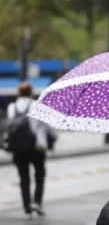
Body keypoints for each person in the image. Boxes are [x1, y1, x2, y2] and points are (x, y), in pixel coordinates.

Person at [6, 82, 56, 220]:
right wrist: (53, 137)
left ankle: (27, 208)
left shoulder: (11, 107)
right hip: (36, 147)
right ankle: (37, 202)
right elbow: (45, 125)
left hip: (18, 148)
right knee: (39, 175)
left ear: (19, 92)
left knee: (24, 178)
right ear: (31, 92)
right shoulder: (36, 105)